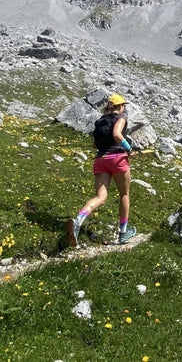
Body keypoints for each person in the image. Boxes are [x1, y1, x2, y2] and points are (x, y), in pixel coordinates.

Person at [67, 93, 137, 247]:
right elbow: (117, 134)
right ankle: (123, 233)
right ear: (120, 106)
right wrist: (129, 149)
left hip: (100, 160)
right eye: (124, 105)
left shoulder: (100, 122)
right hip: (117, 158)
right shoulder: (121, 118)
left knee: (100, 197)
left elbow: (94, 145)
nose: (124, 108)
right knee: (124, 194)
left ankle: (78, 220)